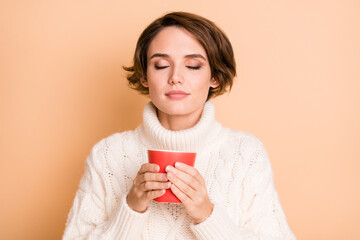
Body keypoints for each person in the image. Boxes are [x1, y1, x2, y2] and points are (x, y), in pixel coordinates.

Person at [63, 11, 296, 240]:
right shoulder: (107, 154)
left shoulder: (246, 154)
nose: (175, 77)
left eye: (193, 65)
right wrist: (131, 208)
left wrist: (207, 215)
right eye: (162, 65)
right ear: (144, 76)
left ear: (215, 77)